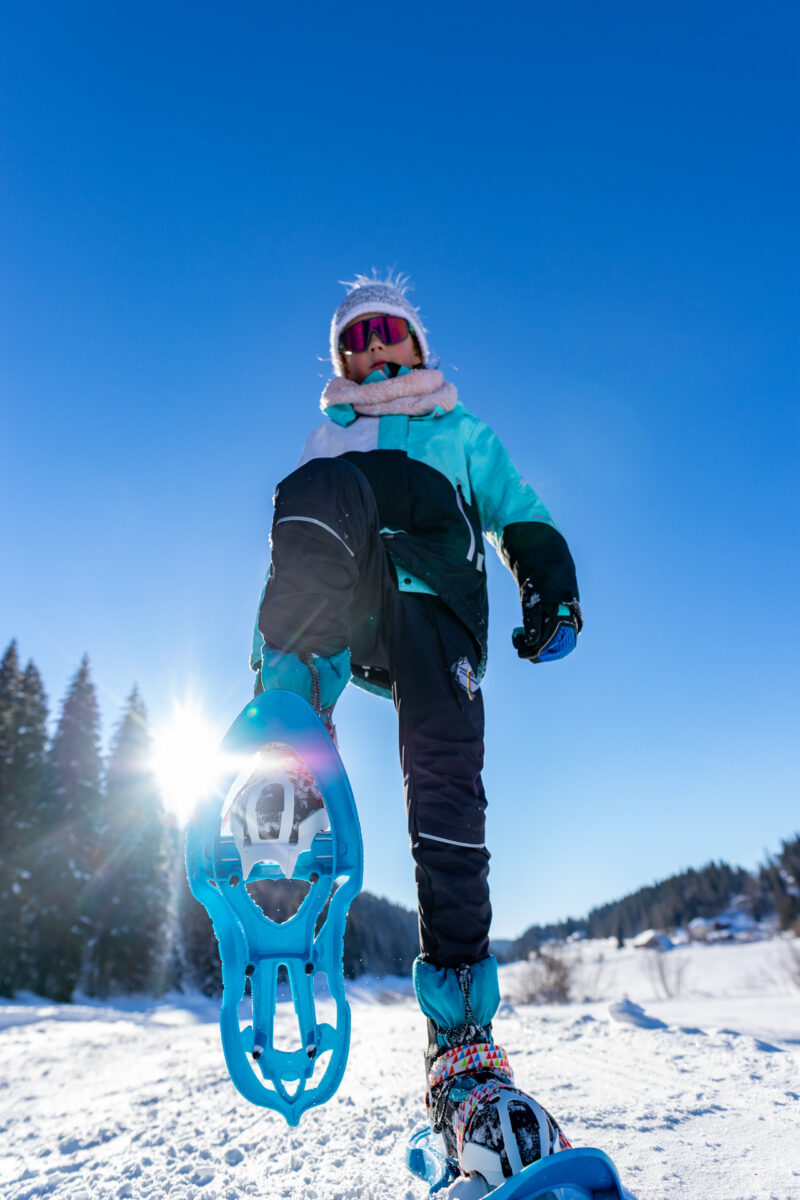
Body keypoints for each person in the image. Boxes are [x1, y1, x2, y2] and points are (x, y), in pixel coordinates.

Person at [250, 273, 581, 1190]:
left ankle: (463, 1043)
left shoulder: (459, 429)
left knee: (445, 798)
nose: (372, 349)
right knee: (314, 494)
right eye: (352, 340)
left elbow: (518, 509)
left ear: (420, 347)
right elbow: (295, 569)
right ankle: (291, 727)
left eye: (388, 331)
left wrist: (548, 585)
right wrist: (268, 676)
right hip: (354, 609)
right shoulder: (333, 441)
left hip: (439, 614)